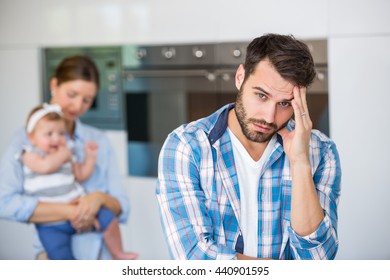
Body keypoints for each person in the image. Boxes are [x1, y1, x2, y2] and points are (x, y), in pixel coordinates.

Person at [156, 33, 341, 260]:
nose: (269, 117)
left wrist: (300, 161)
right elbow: (193, 258)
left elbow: (319, 258)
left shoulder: (321, 152)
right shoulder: (186, 146)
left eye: (284, 103)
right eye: (261, 95)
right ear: (240, 77)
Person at [0, 55, 134, 260]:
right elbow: (5, 203)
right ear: (54, 85)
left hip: (100, 255)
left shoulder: (97, 141)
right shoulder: (25, 142)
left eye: (87, 100)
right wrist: (72, 211)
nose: (78, 106)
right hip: (53, 252)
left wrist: (97, 199)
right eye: (72, 94)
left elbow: (122, 206)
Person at [20, 103, 138, 260]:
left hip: (79, 207)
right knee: (59, 253)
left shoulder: (66, 153)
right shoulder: (28, 153)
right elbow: (45, 166)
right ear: (31, 137)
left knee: (108, 218)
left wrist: (90, 157)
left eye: (61, 133)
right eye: (49, 134)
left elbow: (81, 174)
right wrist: (65, 154)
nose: (56, 138)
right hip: (51, 223)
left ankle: (117, 252)